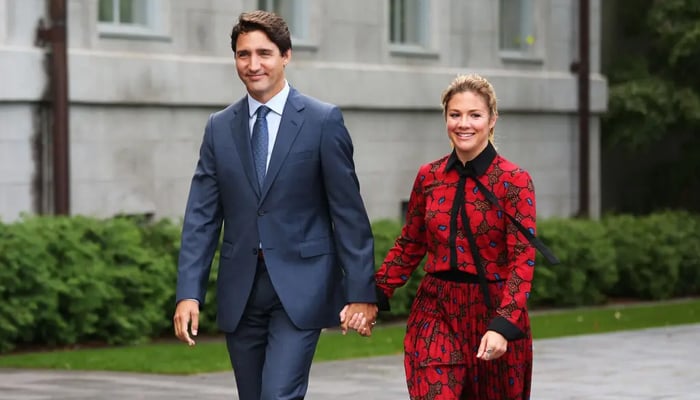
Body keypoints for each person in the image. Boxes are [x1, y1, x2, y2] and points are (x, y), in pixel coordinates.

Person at [173, 10, 378, 400]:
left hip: (301, 288)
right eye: (243, 54)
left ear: (286, 55)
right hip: (241, 289)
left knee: (278, 395)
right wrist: (188, 293)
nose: (253, 65)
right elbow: (201, 216)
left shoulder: (323, 121)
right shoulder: (219, 127)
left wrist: (362, 293)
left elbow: (348, 213)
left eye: (264, 53)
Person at [343, 73, 556, 399]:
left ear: (492, 119)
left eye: (475, 115)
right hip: (437, 308)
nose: (463, 123)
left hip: (493, 310)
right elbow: (410, 244)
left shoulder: (514, 181)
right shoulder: (429, 177)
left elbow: (522, 261)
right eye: (455, 114)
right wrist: (373, 294)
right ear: (445, 118)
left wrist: (503, 324)